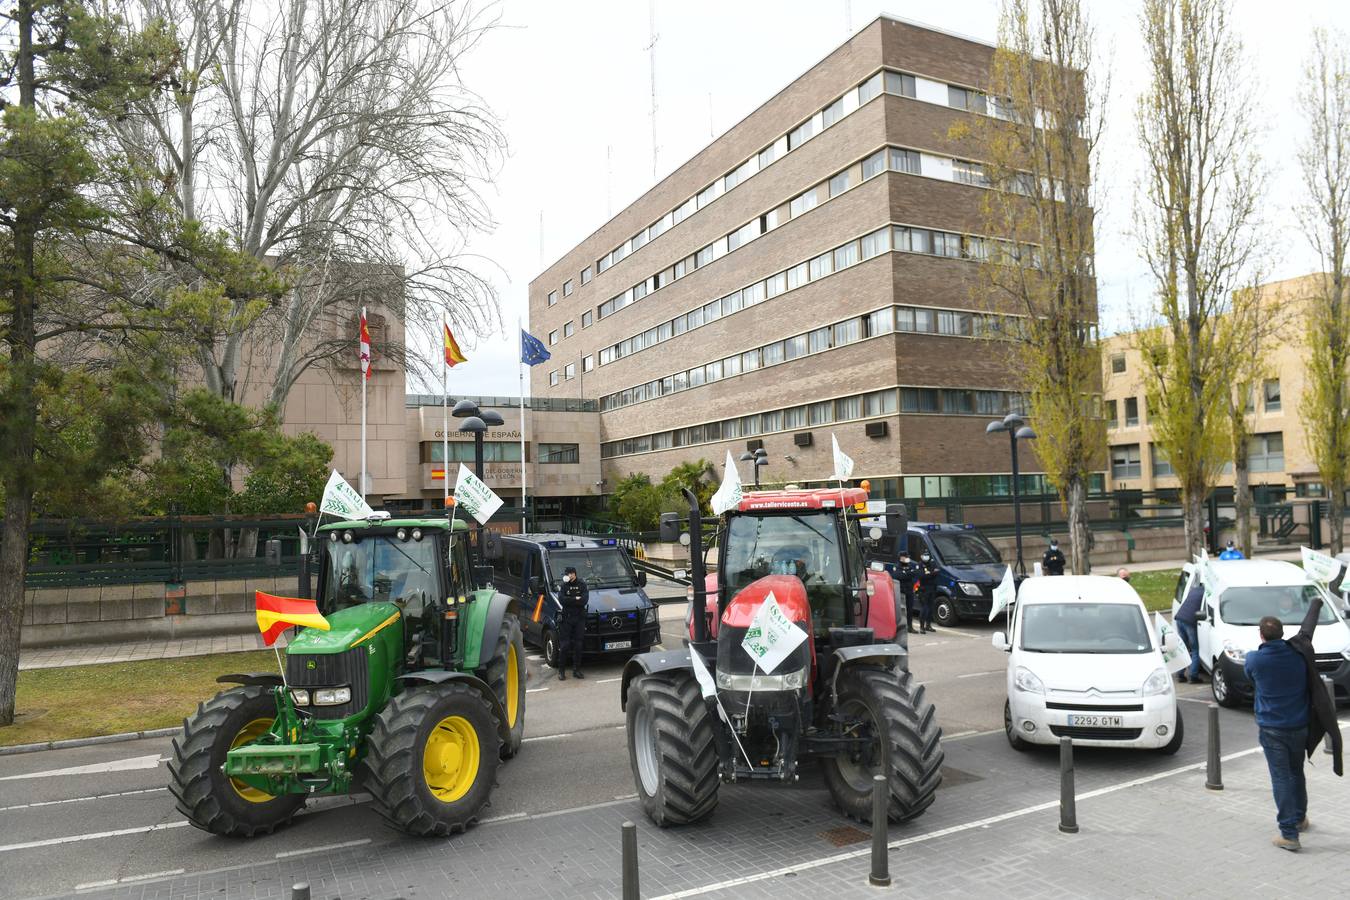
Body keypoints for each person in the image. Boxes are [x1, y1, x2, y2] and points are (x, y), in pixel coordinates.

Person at [1244, 598, 1343, 852]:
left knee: (1281, 779)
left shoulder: (1255, 659)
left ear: (1261, 635)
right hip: (1299, 726)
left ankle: (1288, 834)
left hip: (1272, 729)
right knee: (1296, 772)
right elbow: (1309, 628)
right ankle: (1300, 818)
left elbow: (1250, 677)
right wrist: (1316, 604)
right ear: (1282, 633)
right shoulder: (1299, 651)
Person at [556, 566, 588, 680]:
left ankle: (577, 670)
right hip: (567, 619)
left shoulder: (582, 584)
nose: (567, 576)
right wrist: (576, 599)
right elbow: (562, 600)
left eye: (569, 574)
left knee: (578, 645)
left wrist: (571, 599)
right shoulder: (564, 586)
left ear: (573, 574)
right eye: (566, 574)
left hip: (579, 618)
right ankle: (561, 672)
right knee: (565, 645)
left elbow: (584, 600)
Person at [1173, 578, 1204, 684]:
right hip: (1190, 621)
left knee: (1183, 648)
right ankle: (1193, 676)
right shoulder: (1207, 594)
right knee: (1195, 649)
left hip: (1180, 617)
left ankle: (1180, 675)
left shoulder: (1194, 590)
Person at [896, 551, 921, 634]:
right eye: (905, 557)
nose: (907, 558)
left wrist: (907, 574)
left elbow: (916, 574)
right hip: (901, 591)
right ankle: (900, 628)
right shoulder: (896, 566)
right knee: (901, 611)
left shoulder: (910, 566)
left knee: (910, 610)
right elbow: (899, 576)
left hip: (909, 591)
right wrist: (909, 574)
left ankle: (910, 627)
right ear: (901, 558)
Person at [916, 552, 939, 633]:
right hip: (923, 589)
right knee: (924, 608)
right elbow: (922, 576)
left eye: (927, 555)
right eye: (924, 555)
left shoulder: (933, 563)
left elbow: (937, 572)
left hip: (932, 588)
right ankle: (922, 627)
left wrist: (930, 573)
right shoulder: (919, 565)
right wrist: (932, 573)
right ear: (921, 556)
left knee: (930, 608)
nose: (926, 557)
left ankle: (928, 625)